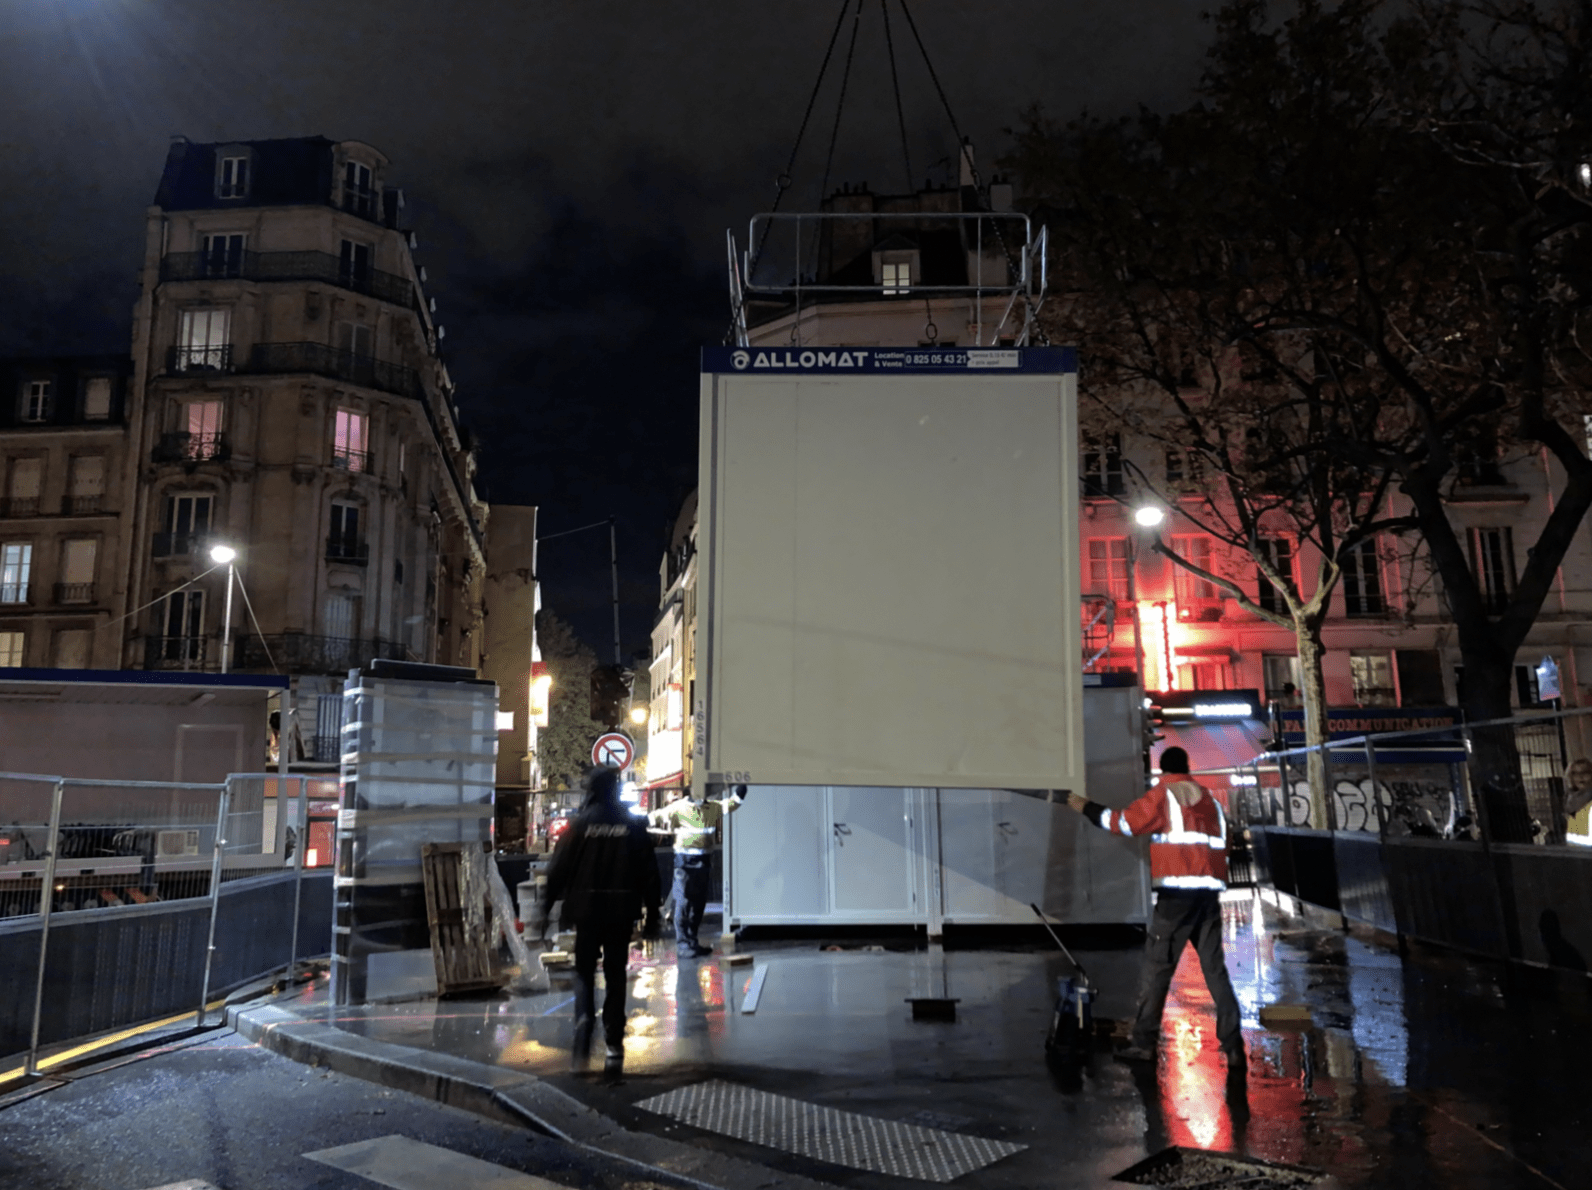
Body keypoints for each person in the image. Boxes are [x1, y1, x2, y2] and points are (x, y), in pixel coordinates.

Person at [1064, 745, 1244, 1067]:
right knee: (1215, 971)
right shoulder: (1211, 802)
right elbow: (1224, 846)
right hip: (1208, 897)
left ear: (1162, 770)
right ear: (1187, 767)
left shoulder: (1164, 796)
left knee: (1157, 969)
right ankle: (1233, 1047)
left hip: (1175, 899)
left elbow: (1122, 823)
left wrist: (1084, 806)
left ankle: (1143, 1044)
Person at [539, 765, 661, 1077]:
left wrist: (545, 912)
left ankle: (583, 1022)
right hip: (621, 911)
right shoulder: (632, 825)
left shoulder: (579, 826)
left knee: (583, 970)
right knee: (616, 974)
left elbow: (557, 870)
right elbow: (650, 874)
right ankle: (614, 1040)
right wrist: (652, 917)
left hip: (586, 911)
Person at [648, 783, 747, 957]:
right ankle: (684, 945)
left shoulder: (712, 807)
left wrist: (742, 789)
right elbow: (654, 817)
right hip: (684, 864)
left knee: (698, 905)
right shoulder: (679, 808)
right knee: (683, 903)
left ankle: (691, 942)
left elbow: (732, 804)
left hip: (703, 862)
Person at [1564, 757, 1592, 842]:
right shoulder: (1568, 801)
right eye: (1575, 773)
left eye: (1585, 772)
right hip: (1575, 852)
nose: (1580, 777)